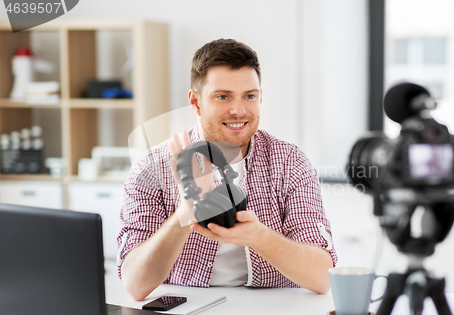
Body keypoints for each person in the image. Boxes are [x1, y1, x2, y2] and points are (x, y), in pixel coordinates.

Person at [117, 39, 338, 301]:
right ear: (196, 102)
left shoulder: (290, 162)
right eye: (223, 96)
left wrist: (259, 237)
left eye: (250, 96)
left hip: (274, 309)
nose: (239, 110)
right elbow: (134, 284)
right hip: (186, 310)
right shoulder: (152, 167)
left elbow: (323, 278)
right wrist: (185, 213)